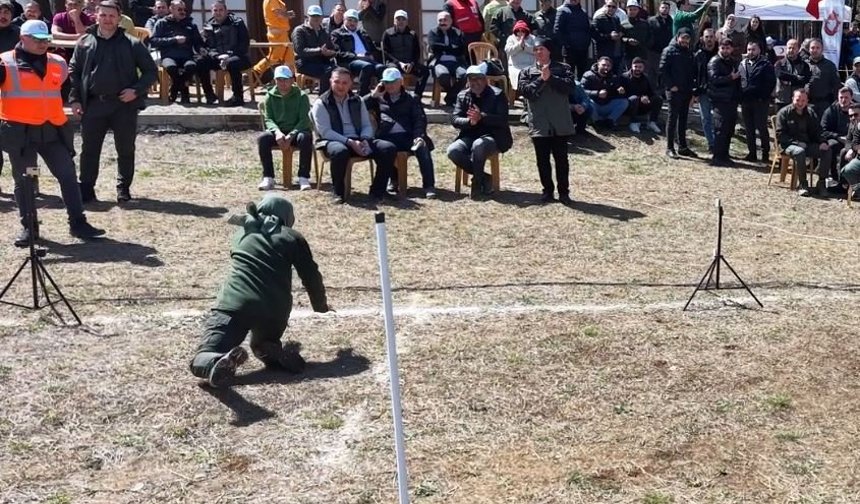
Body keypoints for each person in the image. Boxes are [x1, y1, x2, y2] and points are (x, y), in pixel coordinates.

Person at [189, 194, 332, 388]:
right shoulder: (292, 237)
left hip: (235, 303)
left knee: (204, 353)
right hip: (275, 310)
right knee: (264, 340)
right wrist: (320, 305)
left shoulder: (242, 233)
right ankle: (266, 347)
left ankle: (214, 361)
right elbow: (311, 276)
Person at [1, 19, 104, 245]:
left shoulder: (58, 62)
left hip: (52, 131)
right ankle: (30, 228)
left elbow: (68, 86)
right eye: (37, 40)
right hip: (22, 134)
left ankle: (78, 223)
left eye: (45, 39)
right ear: (23, 38)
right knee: (27, 179)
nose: (42, 44)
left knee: (67, 175)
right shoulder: (5, 63)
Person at [69, 1, 156, 204]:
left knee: (125, 149)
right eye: (103, 15)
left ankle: (123, 188)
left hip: (123, 105)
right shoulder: (85, 42)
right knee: (89, 150)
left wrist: (136, 90)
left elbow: (150, 71)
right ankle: (87, 189)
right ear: (96, 17)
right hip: (94, 105)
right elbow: (73, 72)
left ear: (119, 18)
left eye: (111, 16)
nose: (107, 19)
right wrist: (74, 99)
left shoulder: (132, 43)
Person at [310, 67, 395, 204]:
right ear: (331, 82)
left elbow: (366, 125)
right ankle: (338, 192)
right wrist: (349, 142)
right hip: (332, 141)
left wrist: (365, 139)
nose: (341, 86)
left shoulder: (357, 100)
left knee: (388, 148)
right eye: (337, 82)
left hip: (359, 139)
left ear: (351, 84)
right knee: (340, 151)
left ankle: (378, 191)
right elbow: (325, 132)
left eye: (345, 83)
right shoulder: (321, 103)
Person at [363, 67, 437, 198]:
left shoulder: (411, 98)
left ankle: (429, 185)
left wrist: (418, 136)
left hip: (408, 135)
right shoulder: (378, 98)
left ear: (400, 82)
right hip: (387, 135)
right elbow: (359, 106)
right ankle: (394, 180)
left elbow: (419, 119)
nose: (389, 85)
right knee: (383, 149)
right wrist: (373, 95)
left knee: (422, 147)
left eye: (393, 82)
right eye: (386, 82)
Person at [519, 37, 575, 203]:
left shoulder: (563, 69)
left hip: (560, 121)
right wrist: (541, 79)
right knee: (542, 161)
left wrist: (551, 77)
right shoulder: (527, 72)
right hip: (539, 122)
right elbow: (526, 92)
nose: (538, 52)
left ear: (549, 51)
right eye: (536, 50)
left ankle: (564, 192)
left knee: (561, 160)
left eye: (541, 49)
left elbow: (570, 88)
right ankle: (547, 191)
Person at [447, 63, 513, 200]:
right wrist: (470, 122)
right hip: (469, 134)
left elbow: (503, 119)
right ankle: (484, 177)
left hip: (494, 136)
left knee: (479, 145)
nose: (475, 82)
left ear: (485, 79)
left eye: (478, 79)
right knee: (453, 151)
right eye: (471, 79)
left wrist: (482, 117)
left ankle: (476, 184)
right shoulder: (462, 95)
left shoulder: (497, 94)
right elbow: (454, 119)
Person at [257, 66, 312, 191]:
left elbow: (304, 120)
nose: (283, 83)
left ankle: (303, 177)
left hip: (297, 130)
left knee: (305, 138)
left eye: (286, 79)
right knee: (263, 139)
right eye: (279, 80)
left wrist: (291, 134)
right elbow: (269, 119)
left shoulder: (301, 96)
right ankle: (268, 176)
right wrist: (277, 132)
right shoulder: (270, 96)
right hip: (278, 131)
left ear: (292, 80)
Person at [775, 89, 831, 196]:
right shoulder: (784, 113)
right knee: (799, 152)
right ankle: (803, 184)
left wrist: (823, 141)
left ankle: (821, 184)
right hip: (788, 145)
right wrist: (796, 143)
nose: (800, 103)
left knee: (827, 151)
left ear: (807, 101)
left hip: (807, 144)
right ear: (792, 99)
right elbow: (780, 135)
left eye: (803, 100)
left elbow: (818, 130)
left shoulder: (811, 113)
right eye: (798, 100)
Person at [195, 0, 250, 106]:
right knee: (200, 62)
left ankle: (237, 97)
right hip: (217, 57)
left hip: (237, 56)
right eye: (215, 10)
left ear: (226, 11)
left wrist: (229, 55)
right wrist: (216, 56)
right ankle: (210, 95)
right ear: (212, 12)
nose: (218, 12)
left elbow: (244, 44)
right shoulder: (208, 25)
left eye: (221, 10)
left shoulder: (237, 23)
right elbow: (207, 47)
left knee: (232, 64)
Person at [150, 0, 203, 103]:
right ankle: (184, 93)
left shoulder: (191, 25)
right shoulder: (162, 23)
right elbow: (154, 41)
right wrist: (174, 40)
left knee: (191, 67)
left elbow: (198, 43)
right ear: (171, 9)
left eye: (184, 10)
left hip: (187, 56)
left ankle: (174, 89)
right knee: (171, 68)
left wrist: (201, 49)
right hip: (169, 56)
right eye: (179, 9)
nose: (183, 12)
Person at [660, 28, 696, 159]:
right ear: (678, 37)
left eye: (688, 38)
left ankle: (683, 146)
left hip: (686, 91)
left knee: (683, 119)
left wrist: (692, 90)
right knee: (672, 119)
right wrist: (671, 86)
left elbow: (692, 72)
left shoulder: (690, 52)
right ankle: (670, 147)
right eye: (683, 38)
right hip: (674, 91)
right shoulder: (668, 51)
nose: (685, 40)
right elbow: (663, 70)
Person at [331, 8, 384, 96]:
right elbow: (337, 53)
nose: (352, 23)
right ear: (344, 20)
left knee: (381, 68)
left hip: (367, 59)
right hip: (350, 61)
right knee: (367, 67)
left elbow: (373, 49)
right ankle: (363, 94)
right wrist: (356, 56)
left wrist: (372, 54)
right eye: (350, 20)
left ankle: (381, 95)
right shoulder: (337, 34)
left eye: (355, 21)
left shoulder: (362, 33)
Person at [739, 40, 775, 163]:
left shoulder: (765, 64)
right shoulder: (743, 64)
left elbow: (771, 83)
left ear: (759, 50)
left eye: (753, 49)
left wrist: (763, 96)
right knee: (749, 128)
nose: (751, 52)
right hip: (746, 101)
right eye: (749, 49)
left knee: (761, 127)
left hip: (760, 102)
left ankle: (765, 154)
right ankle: (752, 153)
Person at [708, 37, 740, 167]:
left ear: (731, 49)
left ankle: (725, 155)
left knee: (729, 128)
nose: (725, 50)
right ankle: (718, 156)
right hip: (720, 100)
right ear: (719, 48)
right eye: (723, 48)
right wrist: (730, 77)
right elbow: (714, 79)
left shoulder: (733, 62)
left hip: (731, 100)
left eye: (728, 48)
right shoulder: (714, 62)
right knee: (720, 128)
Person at [381, 10, 427, 98]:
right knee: (392, 73)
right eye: (398, 19)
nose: (401, 21)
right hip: (394, 63)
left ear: (407, 21)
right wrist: (399, 63)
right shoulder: (387, 33)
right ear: (394, 21)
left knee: (425, 71)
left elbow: (417, 52)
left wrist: (412, 63)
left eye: (403, 19)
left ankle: (417, 96)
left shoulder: (412, 34)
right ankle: (393, 96)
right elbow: (386, 52)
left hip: (410, 63)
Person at [427, 11, 467, 107]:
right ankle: (452, 96)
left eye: (445, 20)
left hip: (456, 61)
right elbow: (434, 46)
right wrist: (452, 48)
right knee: (443, 75)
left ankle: (450, 96)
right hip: (439, 61)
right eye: (440, 20)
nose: (442, 22)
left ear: (451, 21)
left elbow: (461, 49)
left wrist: (444, 47)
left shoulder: (458, 32)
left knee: (464, 74)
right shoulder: (432, 32)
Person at [292, 5, 334, 94]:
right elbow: (300, 50)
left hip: (322, 62)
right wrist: (319, 51)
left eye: (318, 16)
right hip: (304, 63)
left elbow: (332, 48)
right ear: (308, 16)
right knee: (327, 71)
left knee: (340, 71)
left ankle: (336, 97)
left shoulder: (324, 32)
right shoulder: (299, 30)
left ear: (322, 17)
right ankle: (323, 99)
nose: (316, 18)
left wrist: (330, 53)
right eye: (313, 16)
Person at [819, 87, 853, 186]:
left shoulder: (856, 110)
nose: (843, 100)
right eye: (841, 97)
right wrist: (837, 136)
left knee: (845, 152)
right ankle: (832, 177)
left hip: (853, 140)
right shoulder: (831, 111)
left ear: (851, 98)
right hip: (836, 139)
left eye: (846, 97)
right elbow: (823, 130)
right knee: (831, 147)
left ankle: (845, 182)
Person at [581, 56, 627, 128]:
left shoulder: (613, 77)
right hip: (594, 105)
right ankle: (597, 122)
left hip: (607, 105)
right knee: (587, 101)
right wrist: (597, 93)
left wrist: (620, 90)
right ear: (598, 64)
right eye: (603, 65)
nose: (606, 67)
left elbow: (616, 89)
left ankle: (610, 121)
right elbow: (582, 91)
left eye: (608, 66)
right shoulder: (588, 75)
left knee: (624, 101)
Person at [252, 0, 295, 79]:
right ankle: (255, 71)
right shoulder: (272, 0)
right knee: (274, 58)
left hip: (283, 33)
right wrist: (288, 14)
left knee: (289, 58)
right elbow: (279, 14)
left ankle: (290, 80)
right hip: (277, 34)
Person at [489, 0, 534, 67]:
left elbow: (533, 30)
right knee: (505, 69)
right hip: (505, 48)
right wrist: (504, 38)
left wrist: (525, 40)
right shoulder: (501, 12)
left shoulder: (527, 15)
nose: (516, 1)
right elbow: (493, 28)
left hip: (523, 50)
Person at [623, 57, 661, 133]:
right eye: (635, 66)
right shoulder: (624, 77)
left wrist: (646, 97)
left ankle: (652, 122)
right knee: (634, 98)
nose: (637, 69)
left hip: (643, 105)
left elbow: (650, 92)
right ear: (631, 66)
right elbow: (623, 94)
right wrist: (640, 98)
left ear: (643, 68)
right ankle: (633, 123)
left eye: (640, 67)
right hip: (629, 105)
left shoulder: (646, 78)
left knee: (657, 99)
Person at [693, 27, 716, 152]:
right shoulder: (698, 55)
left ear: (715, 38)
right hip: (703, 92)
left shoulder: (720, 52)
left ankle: (719, 143)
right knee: (706, 118)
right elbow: (695, 74)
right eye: (707, 37)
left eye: (711, 37)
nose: (709, 40)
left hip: (718, 91)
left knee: (717, 119)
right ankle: (711, 144)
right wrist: (695, 92)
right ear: (702, 38)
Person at [554, 0, 591, 78]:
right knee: (569, 74)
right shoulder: (562, 10)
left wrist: (587, 42)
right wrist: (566, 44)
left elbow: (588, 29)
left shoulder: (583, 12)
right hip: (569, 50)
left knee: (583, 74)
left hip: (583, 49)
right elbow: (557, 30)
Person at [806, 38, 840, 117]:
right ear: (809, 49)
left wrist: (835, 103)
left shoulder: (830, 66)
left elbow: (837, 86)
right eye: (812, 48)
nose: (815, 50)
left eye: (818, 48)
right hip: (806, 104)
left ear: (822, 49)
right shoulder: (803, 65)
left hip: (825, 104)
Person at [774, 38, 810, 109]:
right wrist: (796, 78)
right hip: (782, 100)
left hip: (798, 101)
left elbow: (804, 80)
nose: (791, 50)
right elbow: (780, 75)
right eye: (789, 48)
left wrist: (788, 79)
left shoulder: (804, 65)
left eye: (793, 48)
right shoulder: (779, 63)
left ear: (798, 49)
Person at [647, 0, 672, 94]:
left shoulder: (671, 21)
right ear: (659, 8)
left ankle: (662, 93)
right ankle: (652, 93)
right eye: (663, 7)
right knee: (652, 73)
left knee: (663, 72)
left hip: (666, 51)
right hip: (654, 51)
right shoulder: (651, 20)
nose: (664, 9)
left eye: (666, 8)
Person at [590, 0, 623, 71]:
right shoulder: (598, 19)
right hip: (603, 53)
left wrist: (619, 34)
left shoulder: (616, 19)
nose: (611, 8)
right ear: (605, 6)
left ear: (616, 9)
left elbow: (619, 30)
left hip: (616, 53)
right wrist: (609, 36)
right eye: (609, 6)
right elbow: (595, 35)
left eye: (613, 7)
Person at [839, 104, 860, 199]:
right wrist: (851, 149)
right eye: (850, 116)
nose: (852, 118)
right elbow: (849, 140)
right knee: (846, 170)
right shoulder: (854, 124)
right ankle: (850, 187)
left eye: (856, 115)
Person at [622, 0, 650, 71]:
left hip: (642, 54)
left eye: (635, 9)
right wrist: (628, 40)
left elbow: (650, 37)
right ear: (626, 10)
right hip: (628, 54)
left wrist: (646, 45)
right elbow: (620, 38)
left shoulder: (645, 23)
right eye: (630, 9)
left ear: (638, 10)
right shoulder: (622, 24)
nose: (632, 11)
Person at [504, 19, 534, 87]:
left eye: (522, 31)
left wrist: (525, 47)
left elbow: (536, 50)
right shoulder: (511, 38)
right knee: (518, 76)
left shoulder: (532, 38)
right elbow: (508, 51)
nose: (520, 32)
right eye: (518, 31)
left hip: (530, 65)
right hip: (516, 66)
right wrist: (518, 46)